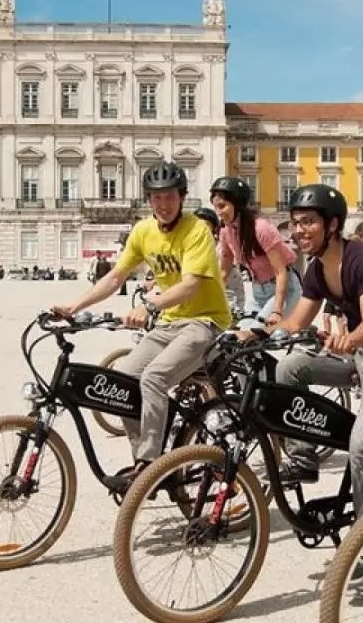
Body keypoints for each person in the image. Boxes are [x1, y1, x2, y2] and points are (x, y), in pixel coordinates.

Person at [50, 161, 232, 493]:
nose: (163, 205)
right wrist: (74, 307)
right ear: (148, 199)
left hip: (205, 322)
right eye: (156, 198)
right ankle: (142, 459)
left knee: (154, 378)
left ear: (182, 197)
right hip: (169, 323)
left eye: (170, 197)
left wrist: (148, 305)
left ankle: (150, 466)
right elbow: (115, 277)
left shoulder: (196, 230)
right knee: (124, 379)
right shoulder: (143, 231)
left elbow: (191, 285)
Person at [267, 184, 363, 523]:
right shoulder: (317, 269)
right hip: (359, 358)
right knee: (288, 369)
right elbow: (297, 320)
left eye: (308, 222)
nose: (298, 230)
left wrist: (349, 340)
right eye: (295, 223)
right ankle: (304, 457)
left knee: (362, 447)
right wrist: (255, 333)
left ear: (333, 225)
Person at [210, 176, 301, 329]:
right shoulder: (226, 231)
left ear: (237, 204)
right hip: (257, 291)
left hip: (283, 289)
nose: (218, 212)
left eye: (222, 206)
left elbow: (281, 271)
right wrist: (209, 300)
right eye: (215, 207)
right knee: (239, 335)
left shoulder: (261, 228)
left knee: (254, 336)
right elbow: (224, 271)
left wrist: (277, 311)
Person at [193, 206, 246, 314]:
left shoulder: (221, 249)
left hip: (228, 302)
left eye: (206, 225)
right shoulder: (193, 249)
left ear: (213, 228)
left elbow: (221, 277)